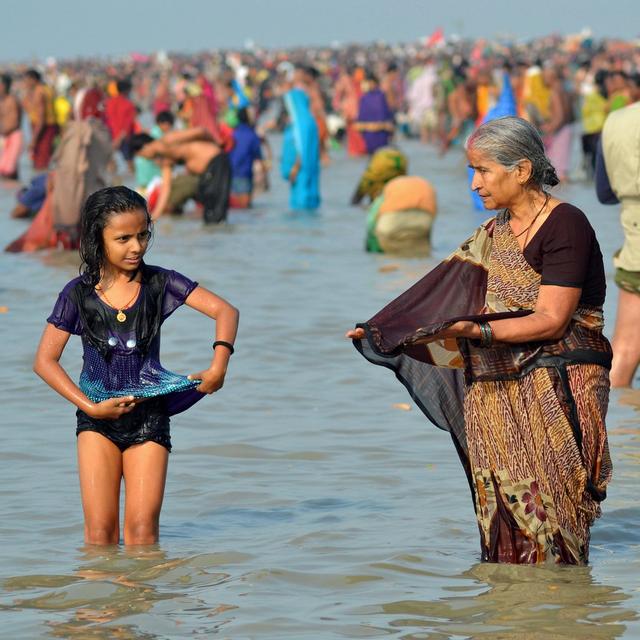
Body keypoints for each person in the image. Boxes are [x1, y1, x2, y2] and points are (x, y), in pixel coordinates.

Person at [348, 116, 612, 565]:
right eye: (472, 171)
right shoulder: (494, 233)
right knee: (505, 523)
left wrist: (476, 330)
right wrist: (387, 330)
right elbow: (441, 287)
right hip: (494, 393)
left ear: (522, 170)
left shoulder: (566, 224)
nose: (474, 184)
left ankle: (566, 622)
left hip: (559, 387)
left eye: (483, 170)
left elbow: (551, 319)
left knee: (556, 523)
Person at [33, 186, 239, 545]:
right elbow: (44, 362)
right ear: (98, 238)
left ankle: (145, 600)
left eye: (143, 234)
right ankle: (98, 602)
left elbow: (226, 311)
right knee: (100, 534)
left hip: (150, 418)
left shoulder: (160, 283)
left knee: (143, 531)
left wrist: (219, 364)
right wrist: (92, 407)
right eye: (124, 238)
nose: (137, 247)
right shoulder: (77, 294)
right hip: (96, 422)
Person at [6, 88, 113, 252]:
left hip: (72, 211)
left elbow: (69, 174)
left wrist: (65, 217)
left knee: (66, 255)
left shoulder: (79, 132)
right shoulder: (101, 132)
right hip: (95, 207)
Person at [595, 101, 640, 387]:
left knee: (625, 348)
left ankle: (614, 426)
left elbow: (604, 193)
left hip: (636, 246)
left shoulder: (616, 120)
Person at [132, 126, 231, 223]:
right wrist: (155, 217)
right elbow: (166, 188)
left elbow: (201, 131)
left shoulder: (168, 140)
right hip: (207, 173)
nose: (145, 159)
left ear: (145, 147)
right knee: (209, 215)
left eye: (142, 155)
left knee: (217, 212)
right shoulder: (165, 159)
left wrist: (215, 143)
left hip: (216, 162)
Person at [365, 175, 437, 255]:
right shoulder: (424, 183)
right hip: (423, 220)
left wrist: (370, 249)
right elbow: (433, 209)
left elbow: (372, 218)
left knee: (390, 256)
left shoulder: (391, 185)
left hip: (392, 221)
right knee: (419, 252)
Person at [280, 85, 321, 211]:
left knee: (299, 207)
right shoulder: (310, 121)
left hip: (298, 174)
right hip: (311, 174)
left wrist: (291, 170)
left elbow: (298, 149)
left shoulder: (297, 126)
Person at [228, 107, 266, 208]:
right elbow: (258, 156)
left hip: (229, 175)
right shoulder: (252, 135)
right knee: (244, 208)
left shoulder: (232, 133)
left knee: (233, 208)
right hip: (244, 175)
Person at [22, 68, 59, 171]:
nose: (25, 83)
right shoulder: (37, 91)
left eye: (26, 80)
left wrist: (33, 139)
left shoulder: (40, 92)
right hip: (40, 126)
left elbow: (41, 119)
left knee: (42, 162)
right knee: (38, 160)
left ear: (33, 79)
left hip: (45, 127)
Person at [355, 73, 394, 155]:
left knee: (382, 154)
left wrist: (388, 125)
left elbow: (386, 112)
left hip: (381, 132)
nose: (370, 85)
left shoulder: (381, 96)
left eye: (371, 82)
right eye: (368, 83)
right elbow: (361, 115)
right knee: (371, 154)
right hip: (368, 132)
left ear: (375, 83)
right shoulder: (364, 98)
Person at [105, 79, 137, 171]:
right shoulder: (128, 105)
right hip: (125, 137)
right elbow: (127, 125)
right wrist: (119, 138)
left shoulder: (109, 103)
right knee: (130, 164)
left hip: (110, 136)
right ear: (127, 90)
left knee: (110, 165)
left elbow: (107, 121)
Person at [0, 74, 23, 179]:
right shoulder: (2, 101)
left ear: (5, 86)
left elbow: (13, 123)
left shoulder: (12, 100)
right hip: (5, 137)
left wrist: (3, 131)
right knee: (5, 169)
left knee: (8, 171)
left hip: (14, 136)